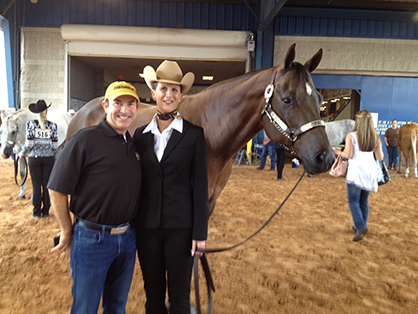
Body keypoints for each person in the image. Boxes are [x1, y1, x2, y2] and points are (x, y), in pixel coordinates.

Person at [47, 81, 142, 313]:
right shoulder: (85, 139)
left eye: (130, 104)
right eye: (118, 103)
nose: (124, 110)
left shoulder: (133, 144)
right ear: (105, 105)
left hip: (127, 239)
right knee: (85, 307)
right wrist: (67, 230)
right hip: (91, 239)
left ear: (136, 109)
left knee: (117, 306)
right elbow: (56, 189)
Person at [134, 60, 209, 314]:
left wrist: (200, 233)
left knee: (179, 297)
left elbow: (200, 186)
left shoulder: (195, 135)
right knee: (152, 294)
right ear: (153, 92)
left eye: (175, 90)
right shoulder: (140, 136)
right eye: (163, 89)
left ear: (181, 95)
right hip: (147, 228)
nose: (169, 95)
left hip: (181, 230)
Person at [333, 110, 384, 242]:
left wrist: (338, 151)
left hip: (356, 171)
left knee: (353, 201)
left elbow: (348, 155)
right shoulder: (376, 137)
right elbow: (380, 157)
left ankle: (360, 226)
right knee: (363, 201)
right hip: (370, 172)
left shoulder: (351, 136)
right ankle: (360, 229)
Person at [19, 100, 58, 218]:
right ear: (46, 112)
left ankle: (36, 211)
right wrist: (50, 153)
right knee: (46, 184)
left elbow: (29, 144)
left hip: (34, 158)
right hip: (48, 158)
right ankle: (46, 210)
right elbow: (55, 146)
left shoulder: (30, 125)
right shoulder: (52, 126)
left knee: (36, 185)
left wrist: (22, 153)